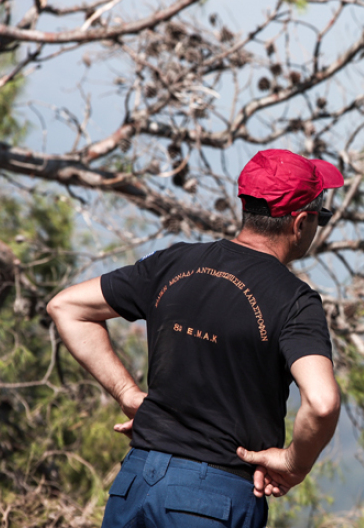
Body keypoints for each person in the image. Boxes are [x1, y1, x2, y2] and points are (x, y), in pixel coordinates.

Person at [47, 149, 343, 528]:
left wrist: (127, 394)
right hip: (210, 498)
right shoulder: (294, 300)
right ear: (300, 223)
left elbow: (66, 307)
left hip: (135, 482)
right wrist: (293, 463)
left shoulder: (174, 262)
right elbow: (321, 403)